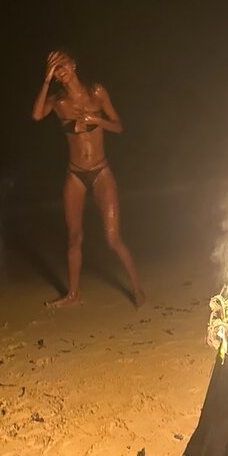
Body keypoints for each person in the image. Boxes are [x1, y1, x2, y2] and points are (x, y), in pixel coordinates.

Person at [31, 50, 144, 307]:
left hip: (101, 172)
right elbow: (36, 115)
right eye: (55, 69)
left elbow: (118, 126)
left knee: (113, 238)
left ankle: (137, 289)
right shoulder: (58, 101)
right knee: (74, 237)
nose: (61, 71)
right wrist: (46, 79)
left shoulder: (96, 92)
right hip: (75, 174)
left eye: (63, 65)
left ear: (73, 64)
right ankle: (72, 294)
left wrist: (96, 120)